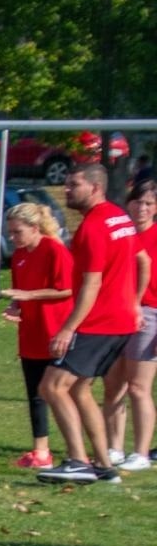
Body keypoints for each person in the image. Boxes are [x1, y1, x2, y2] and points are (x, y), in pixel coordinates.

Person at [36, 164, 139, 484]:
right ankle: (106, 466)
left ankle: (78, 461)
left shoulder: (94, 227)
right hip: (120, 320)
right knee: (79, 389)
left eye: (74, 184)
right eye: (66, 184)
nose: (66, 190)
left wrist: (68, 328)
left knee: (51, 386)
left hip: (99, 321)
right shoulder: (120, 218)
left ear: (95, 187)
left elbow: (92, 285)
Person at [0, 203, 74, 469]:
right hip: (30, 333)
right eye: (10, 232)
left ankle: (76, 451)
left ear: (34, 228)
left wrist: (29, 295)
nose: (12, 237)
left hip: (56, 333)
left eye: (17, 231)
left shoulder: (55, 250)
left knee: (64, 393)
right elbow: (21, 290)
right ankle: (41, 452)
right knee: (35, 393)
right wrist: (16, 306)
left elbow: (67, 289)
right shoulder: (19, 254)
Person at [100, 180, 157, 470]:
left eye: (149, 203)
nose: (142, 208)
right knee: (113, 386)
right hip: (117, 314)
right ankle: (114, 447)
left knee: (138, 387)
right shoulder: (122, 234)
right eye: (137, 202)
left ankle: (141, 453)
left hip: (150, 315)